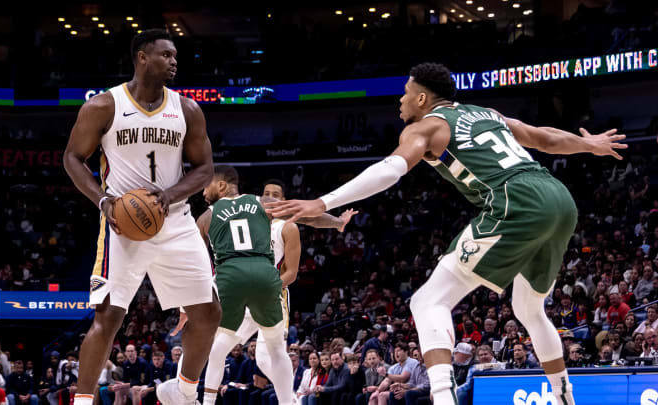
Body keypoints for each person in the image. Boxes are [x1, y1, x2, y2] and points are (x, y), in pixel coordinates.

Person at [266, 62, 627, 405]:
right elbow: (543, 139)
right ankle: (566, 397)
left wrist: (322, 201)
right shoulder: (486, 113)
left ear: (422, 98)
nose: (401, 100)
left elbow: (391, 169)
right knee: (529, 308)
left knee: (427, 302)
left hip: (514, 199)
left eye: (406, 92)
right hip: (559, 198)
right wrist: (588, 145)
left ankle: (442, 397)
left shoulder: (426, 127)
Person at [63, 28, 221, 405]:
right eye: (166, 54)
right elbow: (72, 158)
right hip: (121, 224)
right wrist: (103, 201)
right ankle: (83, 401)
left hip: (176, 219)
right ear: (142, 57)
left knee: (209, 313)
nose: (174, 61)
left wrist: (169, 194)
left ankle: (180, 391)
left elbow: (204, 169)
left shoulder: (186, 109)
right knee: (108, 317)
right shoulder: (104, 106)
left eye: (175, 55)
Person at [194, 167, 352, 405]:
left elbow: (295, 258)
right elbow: (308, 214)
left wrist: (336, 222)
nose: (271, 197)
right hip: (261, 282)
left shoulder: (284, 224)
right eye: (268, 192)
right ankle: (288, 399)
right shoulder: (259, 210)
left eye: (276, 195)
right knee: (258, 354)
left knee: (245, 350)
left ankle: (286, 401)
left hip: (261, 286)